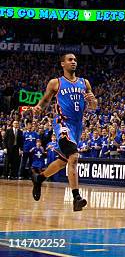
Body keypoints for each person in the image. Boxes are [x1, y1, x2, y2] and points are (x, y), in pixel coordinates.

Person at [30, 53, 97, 211]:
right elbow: (46, 100)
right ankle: (76, 198)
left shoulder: (84, 82)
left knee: (63, 161)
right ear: (62, 64)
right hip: (63, 123)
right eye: (70, 60)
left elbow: (93, 105)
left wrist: (93, 101)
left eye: (75, 60)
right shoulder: (56, 82)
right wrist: (39, 107)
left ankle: (39, 178)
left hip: (77, 126)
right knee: (73, 157)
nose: (73, 62)